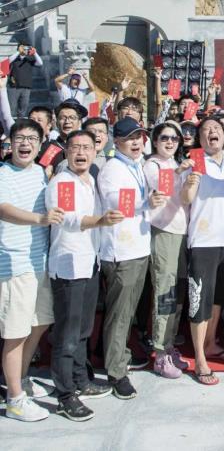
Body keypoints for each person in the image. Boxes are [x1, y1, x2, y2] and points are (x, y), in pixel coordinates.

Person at [46, 130, 124, 421]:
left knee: (82, 330)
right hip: (69, 267)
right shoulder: (63, 182)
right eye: (75, 147)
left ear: (95, 151)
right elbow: (67, 218)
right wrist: (100, 221)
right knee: (67, 334)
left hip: (89, 262)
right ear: (66, 151)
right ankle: (65, 395)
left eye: (87, 147)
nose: (81, 152)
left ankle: (80, 379)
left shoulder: (91, 179)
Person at [96, 117, 167, 399]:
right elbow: (117, 203)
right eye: (129, 138)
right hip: (120, 252)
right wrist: (145, 202)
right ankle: (116, 372)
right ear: (117, 141)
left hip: (138, 248)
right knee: (120, 313)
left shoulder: (137, 165)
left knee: (128, 311)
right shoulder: (112, 169)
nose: (136, 142)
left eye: (139, 137)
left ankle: (121, 355)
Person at [181, 117, 224, 384]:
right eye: (206, 130)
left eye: (216, 129)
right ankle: (199, 357)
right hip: (202, 240)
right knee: (200, 299)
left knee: (218, 297)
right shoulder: (193, 160)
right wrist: (191, 180)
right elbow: (185, 198)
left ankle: (210, 342)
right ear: (200, 139)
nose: (212, 133)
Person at [0, 118, 57, 422]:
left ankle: (20, 380)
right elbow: (4, 209)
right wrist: (39, 219)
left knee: (39, 322)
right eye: (19, 138)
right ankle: (14, 399)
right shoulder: (3, 174)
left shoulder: (41, 173)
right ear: (10, 143)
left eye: (32, 139)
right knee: (16, 333)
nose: (25, 144)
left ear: (40, 144)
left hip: (41, 262)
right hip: (15, 263)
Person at [143, 122, 192, 379]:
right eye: (164, 138)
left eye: (174, 138)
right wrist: (179, 172)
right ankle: (160, 352)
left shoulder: (176, 163)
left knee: (175, 291)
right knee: (164, 290)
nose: (170, 142)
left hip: (182, 231)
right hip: (163, 231)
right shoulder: (153, 165)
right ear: (155, 141)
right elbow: (162, 188)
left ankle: (169, 344)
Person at [7, 43, 43, 118]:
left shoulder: (29, 59)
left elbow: (40, 63)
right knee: (11, 108)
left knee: (23, 109)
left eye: (27, 48)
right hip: (14, 87)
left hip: (26, 87)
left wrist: (35, 53)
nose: (25, 50)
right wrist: (18, 52)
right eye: (24, 48)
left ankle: (20, 123)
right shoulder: (14, 58)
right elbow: (8, 61)